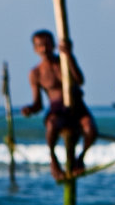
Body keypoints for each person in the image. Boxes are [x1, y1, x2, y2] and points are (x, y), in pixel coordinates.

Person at [21, 29, 98, 180]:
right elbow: (38, 104)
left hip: (77, 106)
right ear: (35, 49)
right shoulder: (36, 73)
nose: (44, 49)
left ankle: (80, 158)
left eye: (47, 45)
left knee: (90, 128)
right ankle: (53, 160)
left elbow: (80, 80)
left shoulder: (64, 61)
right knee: (51, 124)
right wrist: (29, 109)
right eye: (40, 46)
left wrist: (69, 56)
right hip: (57, 110)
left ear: (53, 45)